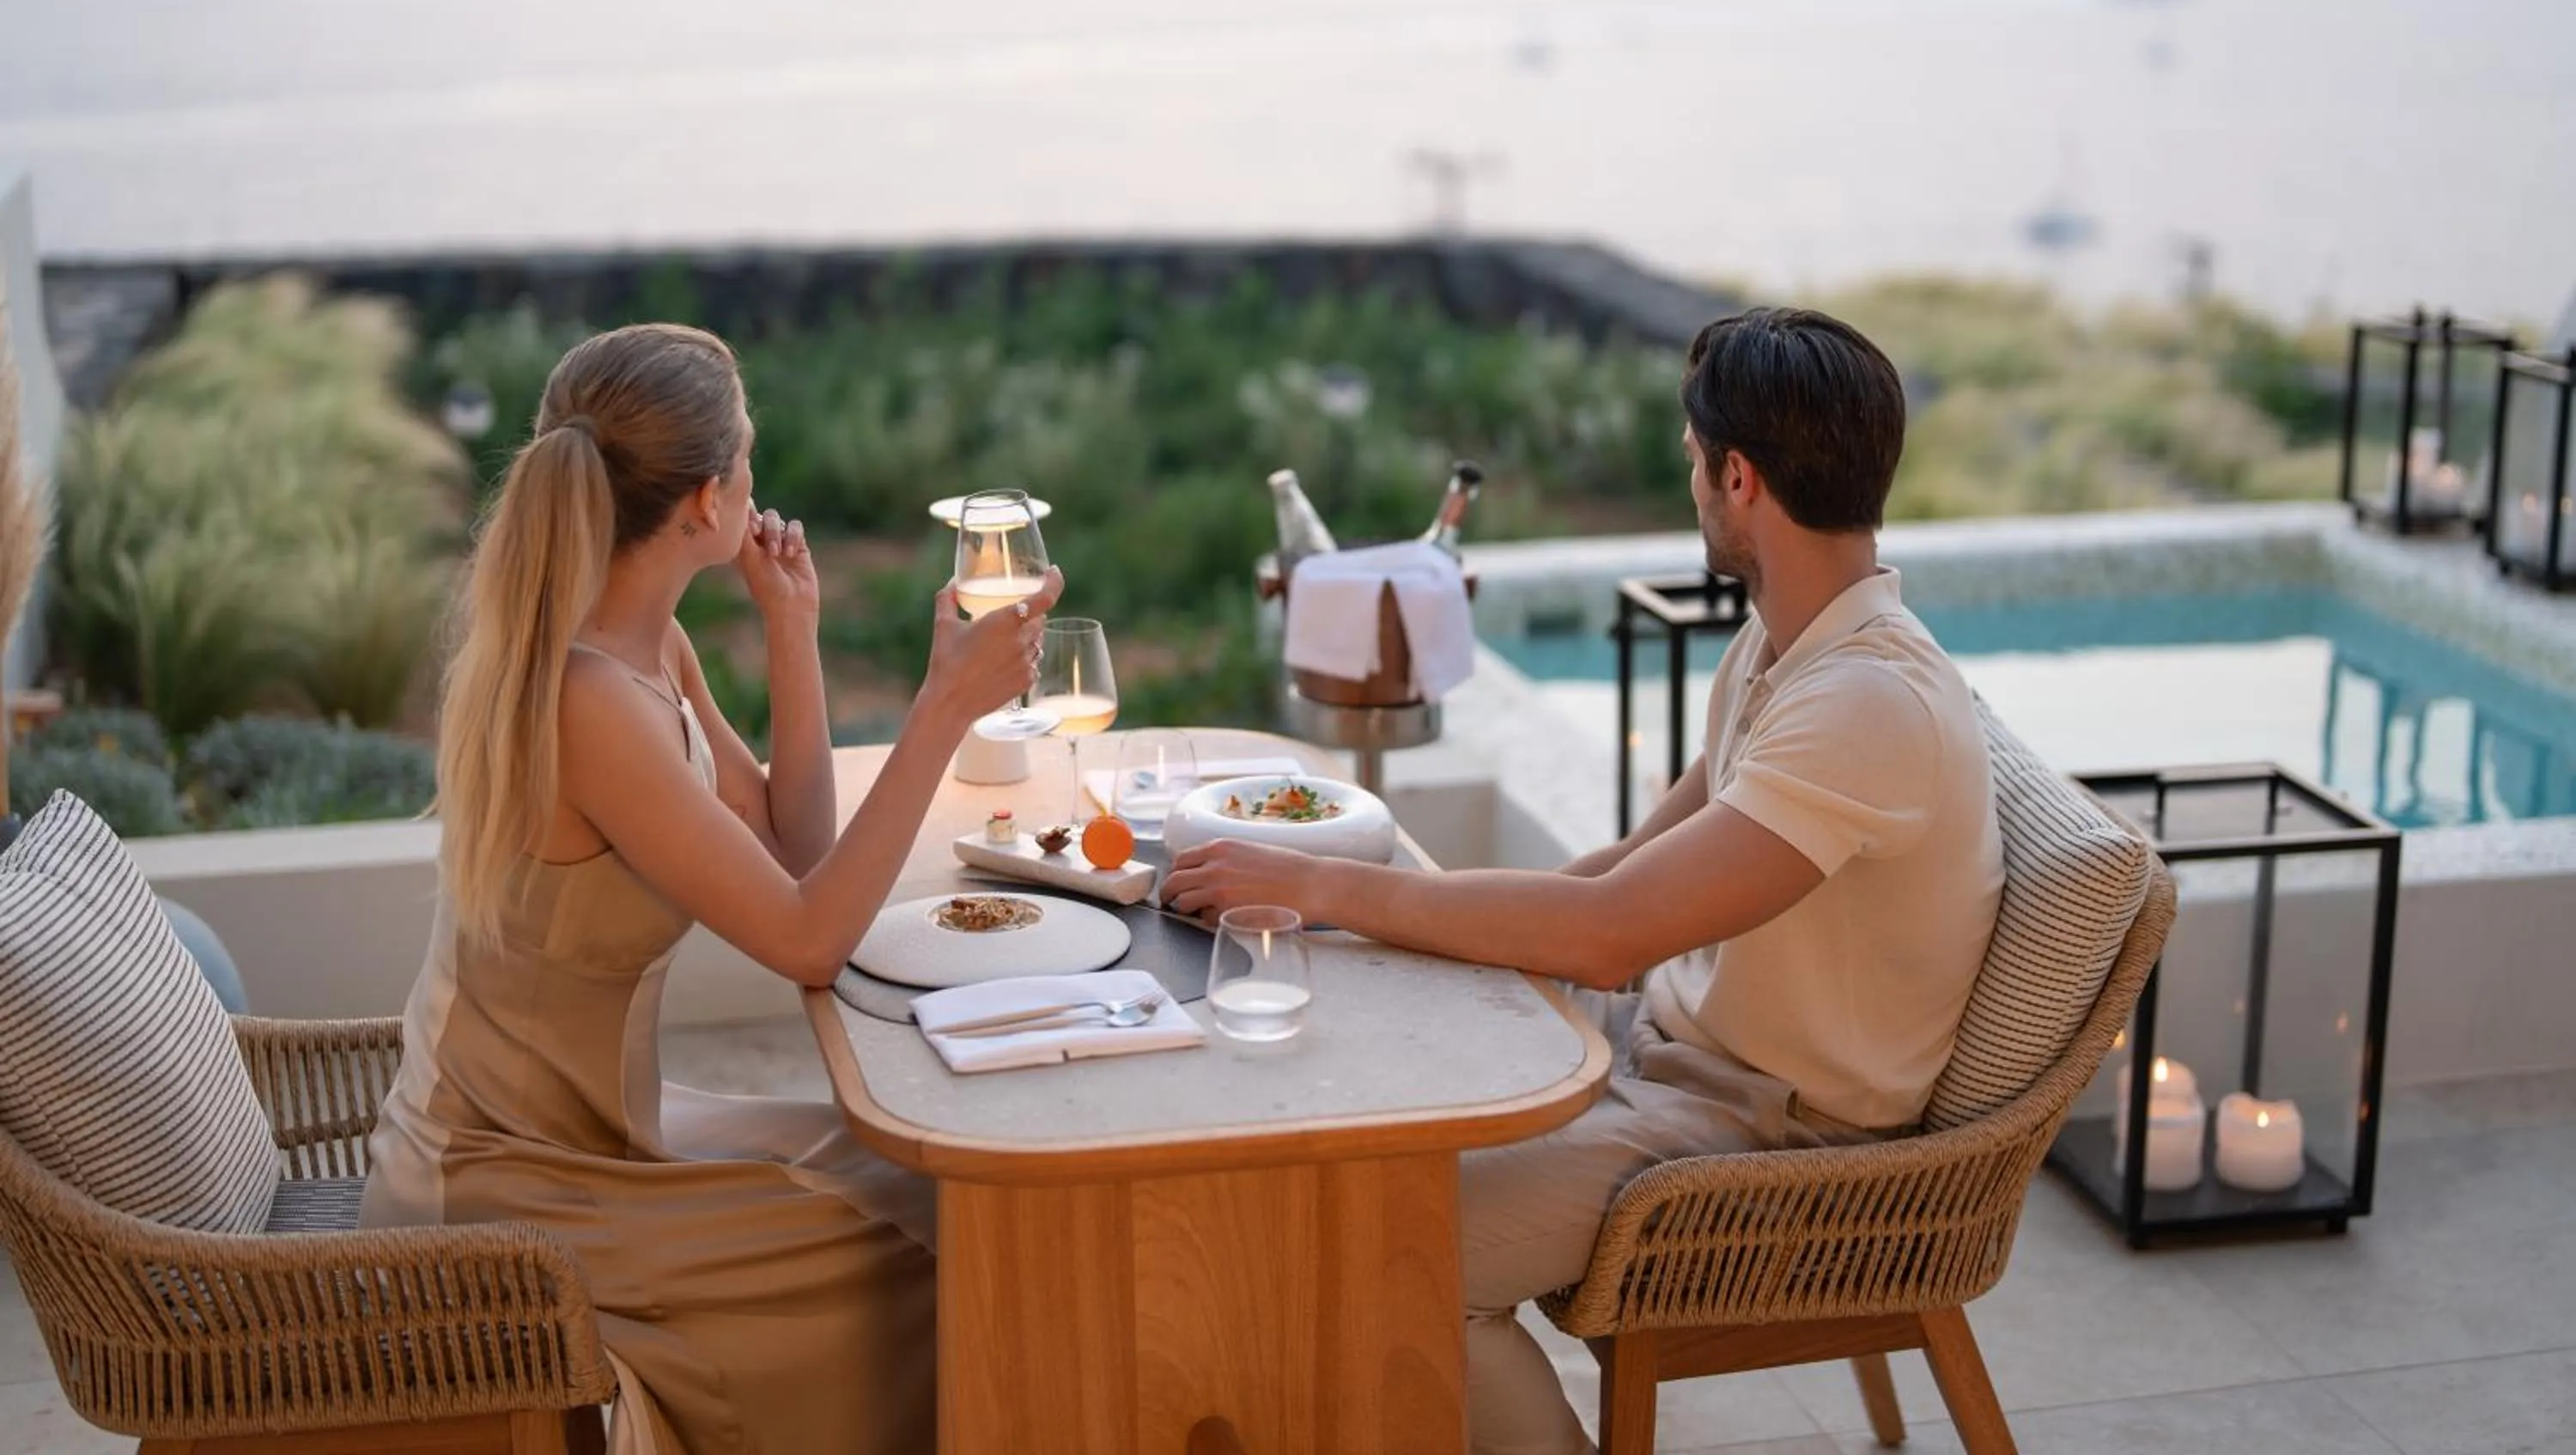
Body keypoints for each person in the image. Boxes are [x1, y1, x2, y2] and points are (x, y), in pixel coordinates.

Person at [1167, 307, 2005, 1455]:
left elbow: (1612, 931)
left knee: (1398, 1252)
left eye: (1692, 462)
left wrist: (1323, 887)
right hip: (1674, 1041)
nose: (1691, 485)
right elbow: (1617, 880)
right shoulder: (1793, 642)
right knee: (1356, 1099)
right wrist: (1456, 944)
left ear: (1740, 476)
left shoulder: (1862, 705)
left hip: (1771, 1126)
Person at [363, 322, 1060, 1455]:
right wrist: (941, 711)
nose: (757, 482)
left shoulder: (642, 649)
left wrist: (793, 630)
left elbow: (797, 850)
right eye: (745, 457)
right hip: (508, 1181)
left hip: (591, 1132)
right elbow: (809, 939)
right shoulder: (591, 702)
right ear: (702, 501)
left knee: (916, 1180)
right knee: (935, 1249)